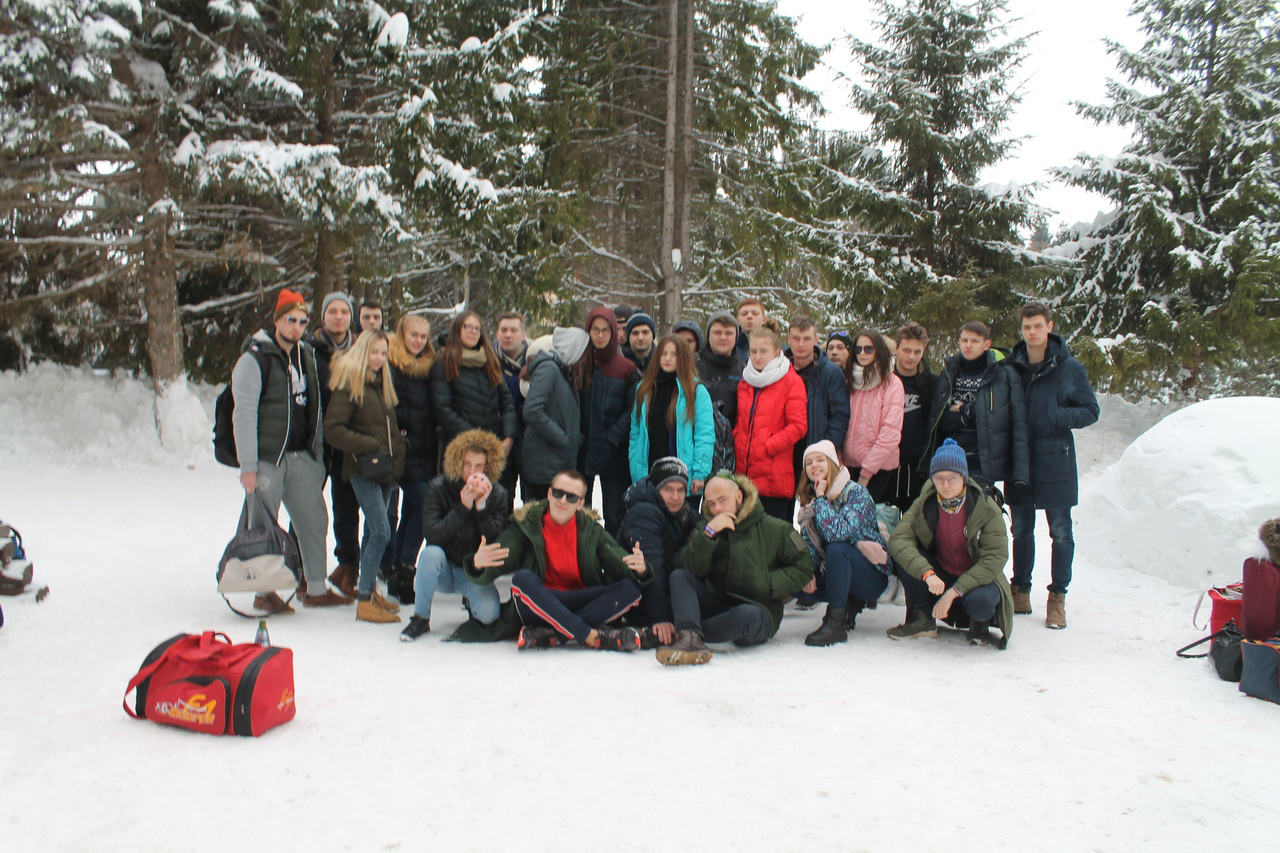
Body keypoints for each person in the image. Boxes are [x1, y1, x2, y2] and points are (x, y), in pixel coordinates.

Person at [232, 289, 350, 610]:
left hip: (301, 456)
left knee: (314, 519)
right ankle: (263, 592)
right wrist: (248, 465)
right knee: (263, 525)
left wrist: (317, 456)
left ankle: (314, 588)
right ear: (277, 320)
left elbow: (317, 408)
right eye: (290, 320)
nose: (296, 327)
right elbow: (243, 413)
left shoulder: (306, 356)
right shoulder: (255, 358)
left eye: (301, 321)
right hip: (267, 457)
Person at [466, 470, 653, 651]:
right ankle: (588, 634)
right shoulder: (527, 527)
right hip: (541, 602)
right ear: (549, 493)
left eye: (571, 497)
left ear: (580, 503)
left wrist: (641, 570)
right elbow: (497, 563)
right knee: (522, 580)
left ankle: (552, 634)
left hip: (582, 599)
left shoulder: (592, 531)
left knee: (631, 589)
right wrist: (478, 564)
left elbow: (621, 565)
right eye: (558, 493)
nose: (563, 501)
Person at [1005, 302, 1100, 629]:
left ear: (1050, 326)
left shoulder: (1069, 368)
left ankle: (1057, 597)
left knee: (1060, 532)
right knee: (1020, 530)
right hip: (1020, 460)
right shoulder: (1012, 367)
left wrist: (1059, 416)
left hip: (1056, 460)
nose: (1032, 332)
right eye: (1027, 327)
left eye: (1038, 326)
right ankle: (1021, 588)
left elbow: (1090, 410)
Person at [656, 472, 813, 666]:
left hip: (758, 608)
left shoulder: (776, 528)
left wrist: (768, 582)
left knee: (745, 616)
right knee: (680, 576)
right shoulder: (706, 527)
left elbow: (804, 568)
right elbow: (691, 568)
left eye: (722, 500)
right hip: (719, 601)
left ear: (739, 496)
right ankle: (689, 636)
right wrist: (709, 534)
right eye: (711, 504)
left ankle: (684, 634)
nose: (717, 509)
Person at [886, 439, 1013, 649]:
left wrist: (955, 592)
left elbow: (994, 559)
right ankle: (923, 619)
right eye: (939, 478)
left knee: (981, 601)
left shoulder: (985, 507)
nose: (945, 485)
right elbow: (899, 538)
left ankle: (979, 625)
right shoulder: (926, 501)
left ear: (963, 477)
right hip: (941, 575)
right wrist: (927, 573)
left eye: (952, 478)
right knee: (905, 556)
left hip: (976, 581)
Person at [323, 330, 408, 624]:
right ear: (361, 351)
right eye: (374, 352)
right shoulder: (350, 383)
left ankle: (369, 591)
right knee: (382, 532)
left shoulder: (381, 382)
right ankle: (364, 601)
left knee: (374, 532)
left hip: (384, 468)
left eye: (383, 353)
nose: (379, 358)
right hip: (364, 468)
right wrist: (369, 446)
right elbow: (333, 429)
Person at [400, 429, 509, 641]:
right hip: (444, 568)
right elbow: (432, 535)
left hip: (475, 570)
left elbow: (496, 538)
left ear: (487, 467)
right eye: (467, 464)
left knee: (489, 616)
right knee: (430, 554)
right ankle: (420, 617)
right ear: (458, 463)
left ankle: (471, 600)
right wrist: (462, 508)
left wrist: (481, 508)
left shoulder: (498, 494)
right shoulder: (439, 487)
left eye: (478, 466)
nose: (472, 471)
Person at [795, 440, 891, 646]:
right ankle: (847, 602)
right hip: (836, 570)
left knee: (837, 549)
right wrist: (806, 571)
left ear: (832, 463)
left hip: (870, 575)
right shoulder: (812, 499)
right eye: (809, 462)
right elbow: (809, 542)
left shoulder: (856, 493)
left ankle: (835, 624)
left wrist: (821, 499)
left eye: (820, 460)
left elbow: (838, 533)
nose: (814, 466)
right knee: (794, 578)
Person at [924, 321, 1028, 491]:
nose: (968, 345)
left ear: (987, 344)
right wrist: (972, 416)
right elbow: (939, 421)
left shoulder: (1004, 375)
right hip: (949, 459)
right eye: (964, 340)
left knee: (977, 513)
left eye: (974, 341)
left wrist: (965, 410)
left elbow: (1015, 423)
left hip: (982, 462)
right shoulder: (950, 372)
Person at [307, 291, 361, 596]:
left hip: (346, 439)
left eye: (344, 311)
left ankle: (347, 566)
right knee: (309, 506)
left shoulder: (358, 350)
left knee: (346, 506)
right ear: (324, 316)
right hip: (315, 440)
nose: (338, 316)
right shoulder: (309, 350)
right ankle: (302, 567)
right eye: (333, 311)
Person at [618, 457, 703, 645]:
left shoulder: (681, 511)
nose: (676, 496)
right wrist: (660, 617)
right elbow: (652, 564)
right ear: (656, 489)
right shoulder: (643, 513)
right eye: (668, 489)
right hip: (641, 600)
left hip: (665, 590)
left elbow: (704, 528)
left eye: (681, 490)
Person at [734, 319, 807, 521]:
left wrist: (768, 446)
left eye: (763, 351)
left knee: (773, 540)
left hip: (774, 475)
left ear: (777, 351)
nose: (757, 356)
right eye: (753, 351)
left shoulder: (791, 381)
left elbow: (799, 426)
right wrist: (738, 440)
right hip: (744, 474)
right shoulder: (745, 382)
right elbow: (741, 422)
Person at [629, 335, 714, 495]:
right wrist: (636, 470)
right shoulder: (644, 388)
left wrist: (700, 473)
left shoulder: (696, 391)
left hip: (683, 479)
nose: (668, 358)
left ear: (683, 357)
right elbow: (636, 432)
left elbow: (705, 435)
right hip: (649, 477)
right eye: (664, 353)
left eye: (674, 354)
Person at [580, 306, 639, 538]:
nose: (601, 335)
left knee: (615, 514)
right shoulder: (579, 364)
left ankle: (614, 563)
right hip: (582, 451)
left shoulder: (626, 368)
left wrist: (614, 435)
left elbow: (636, 407)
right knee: (580, 514)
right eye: (596, 329)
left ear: (614, 332)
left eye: (606, 330)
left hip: (614, 453)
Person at [387, 314, 438, 578]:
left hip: (426, 451)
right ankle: (406, 566)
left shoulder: (429, 366)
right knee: (428, 505)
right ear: (401, 335)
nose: (418, 340)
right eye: (413, 335)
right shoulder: (390, 364)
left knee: (411, 510)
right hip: (403, 451)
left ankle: (397, 566)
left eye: (422, 336)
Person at [430, 311, 518, 454]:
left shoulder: (490, 361)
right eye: (468, 327)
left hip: (495, 446)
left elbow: (507, 403)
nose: (473, 332)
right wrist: (476, 438)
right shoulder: (444, 364)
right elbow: (443, 409)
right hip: (462, 448)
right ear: (458, 329)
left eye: (477, 328)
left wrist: (509, 437)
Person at [787, 316, 850, 506]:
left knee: (815, 509)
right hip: (785, 450)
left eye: (806, 338)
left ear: (816, 340)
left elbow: (840, 416)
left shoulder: (830, 372)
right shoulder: (780, 369)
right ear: (788, 338)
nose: (800, 344)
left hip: (815, 449)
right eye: (796, 338)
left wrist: (825, 450)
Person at [523, 327, 590, 497]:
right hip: (544, 466)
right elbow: (532, 410)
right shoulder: (549, 369)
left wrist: (575, 438)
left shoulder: (564, 372)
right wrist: (563, 439)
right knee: (540, 518)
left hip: (557, 462)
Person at [840, 328, 904, 502]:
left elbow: (890, 433)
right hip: (848, 466)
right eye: (858, 349)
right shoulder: (849, 379)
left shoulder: (892, 383)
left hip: (878, 469)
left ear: (879, 351)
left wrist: (866, 473)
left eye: (868, 349)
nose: (862, 353)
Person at [885, 321, 935, 512]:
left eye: (917, 352)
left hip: (919, 468)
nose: (911, 357)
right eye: (906, 350)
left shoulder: (932, 384)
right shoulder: (883, 380)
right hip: (887, 467)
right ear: (896, 349)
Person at [494, 311, 529, 508]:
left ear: (523, 334)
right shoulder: (487, 362)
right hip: (499, 441)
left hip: (528, 442)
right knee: (500, 501)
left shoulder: (536, 363)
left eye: (513, 330)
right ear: (497, 334)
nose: (508, 335)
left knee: (530, 502)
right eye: (504, 330)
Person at [697, 310, 743, 429]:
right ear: (708, 335)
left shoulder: (745, 371)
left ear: (736, 337)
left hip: (730, 441)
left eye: (728, 333)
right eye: (717, 332)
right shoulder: (691, 364)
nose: (723, 337)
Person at [734, 298, 766, 362]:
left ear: (764, 319)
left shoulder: (778, 348)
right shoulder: (731, 349)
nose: (749, 316)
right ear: (738, 321)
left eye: (755, 313)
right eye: (744, 314)